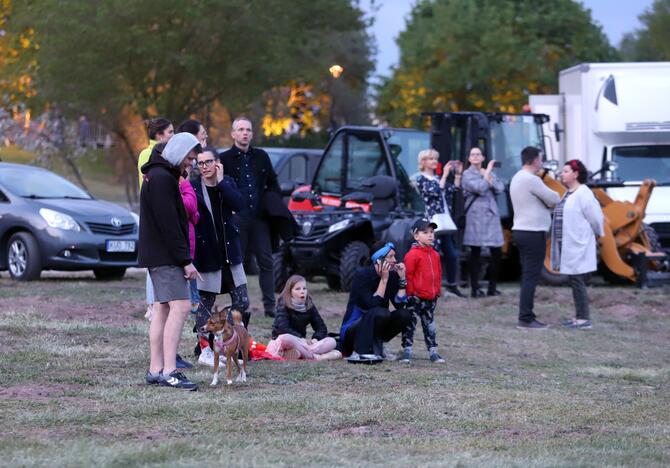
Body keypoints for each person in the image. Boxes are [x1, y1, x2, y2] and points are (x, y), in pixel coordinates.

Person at [139, 132, 202, 391]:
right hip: (165, 256)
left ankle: (156, 369)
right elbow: (170, 226)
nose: (191, 164)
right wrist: (185, 260)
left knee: (162, 309)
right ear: (177, 153)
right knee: (181, 307)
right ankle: (169, 371)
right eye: (189, 158)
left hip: (157, 254)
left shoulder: (158, 174)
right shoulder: (164, 180)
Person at [190, 146, 250, 366]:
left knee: (242, 301)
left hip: (230, 252)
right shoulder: (194, 188)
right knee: (206, 303)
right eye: (200, 163)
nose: (204, 167)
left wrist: (223, 182)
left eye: (208, 162)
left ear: (217, 163)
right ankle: (205, 349)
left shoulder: (228, 183)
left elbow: (240, 205)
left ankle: (236, 345)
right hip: (207, 254)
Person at [220, 117, 280, 318]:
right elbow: (220, 188)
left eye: (248, 129)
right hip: (238, 219)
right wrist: (230, 211)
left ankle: (270, 307)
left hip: (259, 218)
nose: (245, 133)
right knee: (237, 263)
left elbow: (273, 183)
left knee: (266, 261)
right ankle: (239, 304)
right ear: (233, 134)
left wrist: (271, 206)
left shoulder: (262, 156)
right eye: (241, 129)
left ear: (252, 134)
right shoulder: (225, 159)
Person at [510, 146, 560, 329]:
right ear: (534, 160)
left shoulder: (517, 177)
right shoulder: (532, 180)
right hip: (533, 232)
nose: (541, 162)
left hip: (521, 230)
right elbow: (554, 198)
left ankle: (526, 315)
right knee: (531, 276)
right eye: (540, 159)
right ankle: (526, 318)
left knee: (527, 275)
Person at [551, 159, 604, 329]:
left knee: (577, 279)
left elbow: (596, 218)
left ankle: (583, 320)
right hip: (568, 243)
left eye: (566, 171)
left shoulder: (584, 193)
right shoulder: (568, 193)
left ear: (575, 174)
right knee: (574, 279)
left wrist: (597, 234)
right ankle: (580, 317)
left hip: (578, 243)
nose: (562, 174)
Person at [338, 241, 413, 360]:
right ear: (378, 260)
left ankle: (376, 346)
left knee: (405, 315)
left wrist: (402, 280)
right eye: (390, 257)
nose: (395, 260)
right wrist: (383, 281)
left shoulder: (392, 276)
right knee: (381, 312)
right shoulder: (362, 275)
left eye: (394, 256)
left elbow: (400, 305)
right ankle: (361, 351)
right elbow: (372, 305)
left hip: (377, 322)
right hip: (353, 330)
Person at [414, 149, 465, 298]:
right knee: (432, 256)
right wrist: (444, 175)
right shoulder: (421, 179)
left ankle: (451, 286)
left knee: (452, 254)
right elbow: (436, 191)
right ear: (423, 162)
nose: (434, 161)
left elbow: (453, 189)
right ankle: (430, 287)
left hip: (445, 222)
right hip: (432, 224)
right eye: (431, 159)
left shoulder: (437, 178)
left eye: (435, 159)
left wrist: (457, 174)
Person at [138, 118, 173, 320]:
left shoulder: (165, 154)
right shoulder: (149, 154)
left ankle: (159, 303)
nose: (173, 135)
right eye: (170, 132)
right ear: (160, 135)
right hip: (153, 214)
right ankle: (152, 305)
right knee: (155, 263)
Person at [399, 219, 445, 364]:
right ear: (416, 236)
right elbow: (409, 275)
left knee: (430, 326)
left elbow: (438, 273)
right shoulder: (412, 255)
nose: (430, 235)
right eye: (425, 232)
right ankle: (407, 351)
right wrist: (411, 293)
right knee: (410, 324)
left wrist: (437, 291)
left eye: (432, 232)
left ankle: (433, 352)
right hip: (416, 297)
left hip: (431, 297)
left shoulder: (435, 255)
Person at [461, 147, 505, 298]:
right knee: (475, 252)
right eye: (472, 154)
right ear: (469, 158)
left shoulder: (487, 172)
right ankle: (475, 289)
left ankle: (492, 288)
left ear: (483, 157)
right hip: (476, 216)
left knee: (496, 251)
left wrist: (487, 175)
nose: (475, 156)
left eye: (478, 154)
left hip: (491, 215)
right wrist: (487, 175)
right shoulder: (467, 175)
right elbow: (480, 188)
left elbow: (500, 187)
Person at [267, 275, 342, 360]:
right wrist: (300, 338)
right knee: (286, 338)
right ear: (290, 291)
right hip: (284, 341)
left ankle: (300, 353)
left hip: (302, 344)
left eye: (304, 288)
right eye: (298, 289)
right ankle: (317, 357)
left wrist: (315, 339)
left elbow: (321, 327)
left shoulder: (309, 305)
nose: (302, 291)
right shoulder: (283, 304)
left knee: (331, 341)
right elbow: (283, 328)